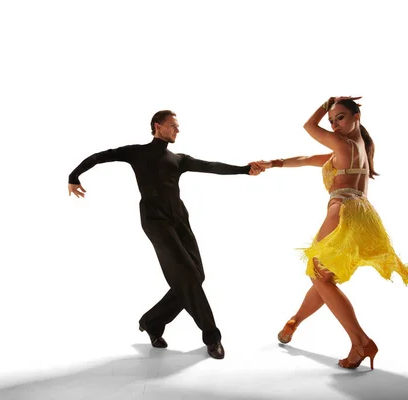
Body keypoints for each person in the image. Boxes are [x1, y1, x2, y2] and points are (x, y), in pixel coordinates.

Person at [68, 110, 264, 360]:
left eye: (178, 126)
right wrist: (73, 176)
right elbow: (100, 156)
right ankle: (212, 336)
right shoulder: (136, 152)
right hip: (155, 220)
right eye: (173, 125)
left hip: (180, 219)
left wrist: (245, 170)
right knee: (189, 276)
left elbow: (211, 166)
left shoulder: (179, 159)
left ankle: (152, 321)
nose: (177, 130)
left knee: (196, 275)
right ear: (157, 126)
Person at [256, 96, 408, 370]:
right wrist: (272, 163)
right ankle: (294, 322)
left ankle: (360, 341)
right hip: (360, 213)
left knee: (318, 273)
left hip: (341, 208)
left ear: (357, 117)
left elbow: (308, 126)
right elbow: (306, 159)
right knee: (324, 277)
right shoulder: (352, 148)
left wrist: (324, 103)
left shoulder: (345, 144)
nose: (334, 124)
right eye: (331, 120)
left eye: (339, 117)